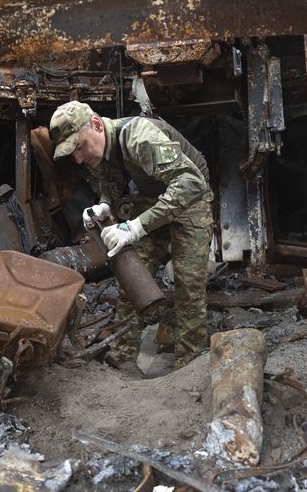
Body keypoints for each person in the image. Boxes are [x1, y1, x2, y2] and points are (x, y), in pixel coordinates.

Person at [49, 101, 214, 369]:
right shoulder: (99, 150)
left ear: (96, 125)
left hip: (190, 197)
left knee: (189, 284)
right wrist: (104, 203)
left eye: (79, 146)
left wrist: (135, 227)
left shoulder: (139, 136)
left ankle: (189, 365)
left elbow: (191, 182)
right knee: (130, 276)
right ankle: (122, 357)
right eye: (72, 153)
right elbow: (112, 181)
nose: (78, 158)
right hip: (151, 197)